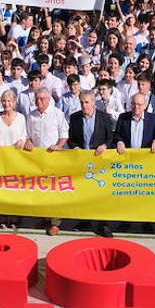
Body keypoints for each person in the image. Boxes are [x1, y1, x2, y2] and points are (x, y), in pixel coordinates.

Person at [67, 89, 115, 237]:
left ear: (94, 102)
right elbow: (71, 138)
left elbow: (111, 137)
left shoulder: (105, 118)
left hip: (100, 162)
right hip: (83, 162)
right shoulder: (74, 118)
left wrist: (105, 146)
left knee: (101, 194)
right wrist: (74, 146)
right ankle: (85, 221)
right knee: (84, 193)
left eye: (87, 102)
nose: (84, 105)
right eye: (81, 102)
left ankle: (103, 224)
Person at [24, 88, 69, 235]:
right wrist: (29, 142)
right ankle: (45, 218)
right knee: (41, 190)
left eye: (42, 99)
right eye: (37, 99)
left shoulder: (58, 114)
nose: (39, 101)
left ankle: (56, 222)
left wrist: (59, 146)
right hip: (37, 160)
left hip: (54, 158)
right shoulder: (31, 116)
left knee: (54, 191)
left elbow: (64, 134)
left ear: (49, 99)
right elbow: (28, 135)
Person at [0, 88, 27, 229]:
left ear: (14, 102)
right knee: (2, 188)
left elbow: (25, 134)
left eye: (9, 101)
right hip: (0, 159)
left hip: (16, 159)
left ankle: (16, 215)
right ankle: (3, 215)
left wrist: (22, 141)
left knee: (15, 186)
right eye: (4, 101)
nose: (6, 103)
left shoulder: (21, 118)